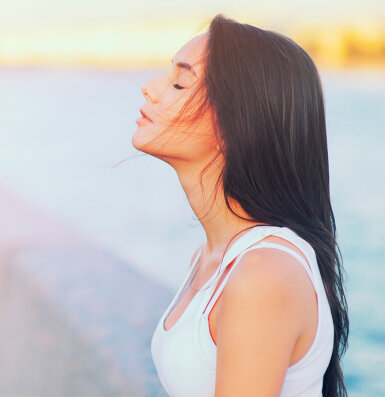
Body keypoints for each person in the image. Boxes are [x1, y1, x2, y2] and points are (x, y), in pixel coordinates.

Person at [134, 14, 349, 397]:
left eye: (180, 83)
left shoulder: (264, 272)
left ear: (238, 121)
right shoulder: (211, 258)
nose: (149, 89)